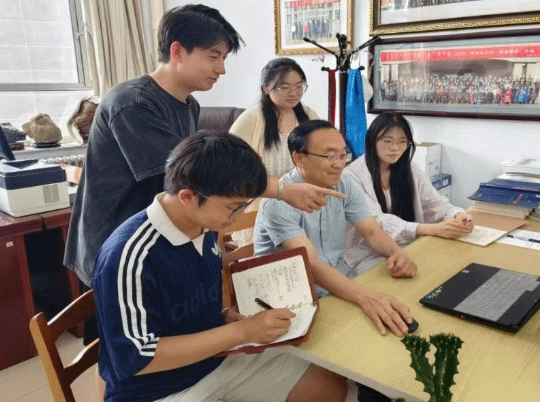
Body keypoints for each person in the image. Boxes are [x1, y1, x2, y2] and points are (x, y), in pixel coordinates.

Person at [65, 4, 342, 322]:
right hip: (119, 246)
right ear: (177, 51)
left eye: (224, 58)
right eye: (213, 56)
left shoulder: (189, 105)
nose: (221, 69)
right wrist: (281, 190)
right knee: (127, 343)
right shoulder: (133, 103)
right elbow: (195, 175)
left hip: (162, 242)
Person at [93, 131, 351, 402]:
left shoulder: (205, 224)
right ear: (188, 197)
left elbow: (187, 299)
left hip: (214, 360)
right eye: (234, 208)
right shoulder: (128, 257)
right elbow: (136, 357)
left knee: (329, 385)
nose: (239, 216)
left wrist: (224, 316)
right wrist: (241, 332)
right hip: (156, 390)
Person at [254, 119, 418, 337]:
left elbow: (371, 231)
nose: (339, 164)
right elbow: (309, 264)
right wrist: (364, 296)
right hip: (291, 296)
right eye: (329, 156)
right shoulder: (278, 203)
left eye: (342, 155)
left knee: (402, 304)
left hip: (337, 282)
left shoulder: (344, 183)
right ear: (299, 157)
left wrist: (397, 254)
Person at [343, 112, 473, 273]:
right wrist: (432, 229)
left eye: (402, 142)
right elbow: (376, 221)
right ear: (372, 140)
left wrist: (458, 216)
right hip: (366, 254)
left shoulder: (411, 169)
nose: (395, 148)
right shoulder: (351, 176)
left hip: (408, 246)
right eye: (388, 141)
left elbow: (434, 203)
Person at [230, 57, 319, 177]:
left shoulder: (310, 116)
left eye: (299, 86)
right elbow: (231, 163)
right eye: (284, 87)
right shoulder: (251, 118)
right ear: (266, 88)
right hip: (261, 188)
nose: (294, 93)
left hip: (304, 188)